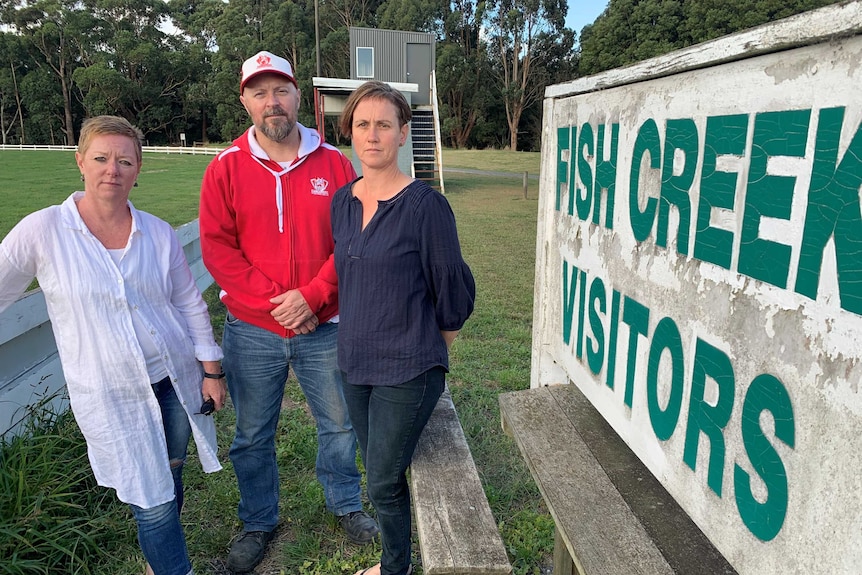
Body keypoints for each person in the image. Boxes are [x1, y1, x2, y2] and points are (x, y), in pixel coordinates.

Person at [0, 115, 227, 575]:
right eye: (101, 158)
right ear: (80, 161)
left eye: (125, 160)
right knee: (153, 498)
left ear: (138, 169)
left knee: (172, 471)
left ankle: (155, 560)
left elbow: (189, 306)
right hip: (111, 393)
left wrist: (211, 371)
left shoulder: (158, 233)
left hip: (172, 379)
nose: (112, 170)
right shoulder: (42, 232)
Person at [198, 51, 379, 573]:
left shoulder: (335, 163)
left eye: (280, 90)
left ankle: (345, 504)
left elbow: (353, 239)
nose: (271, 102)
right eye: (259, 92)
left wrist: (314, 296)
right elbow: (218, 249)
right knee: (253, 432)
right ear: (245, 101)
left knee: (340, 424)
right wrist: (278, 305)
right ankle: (259, 519)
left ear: (299, 96)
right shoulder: (226, 167)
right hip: (252, 330)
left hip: (325, 323)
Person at [331, 81, 476, 575]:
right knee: (380, 473)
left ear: (402, 134)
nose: (372, 135)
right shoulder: (342, 202)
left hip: (407, 369)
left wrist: (428, 352)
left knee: (381, 481)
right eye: (363, 124)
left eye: (384, 125)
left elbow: (453, 297)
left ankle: (395, 568)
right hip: (353, 364)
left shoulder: (425, 207)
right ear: (350, 131)